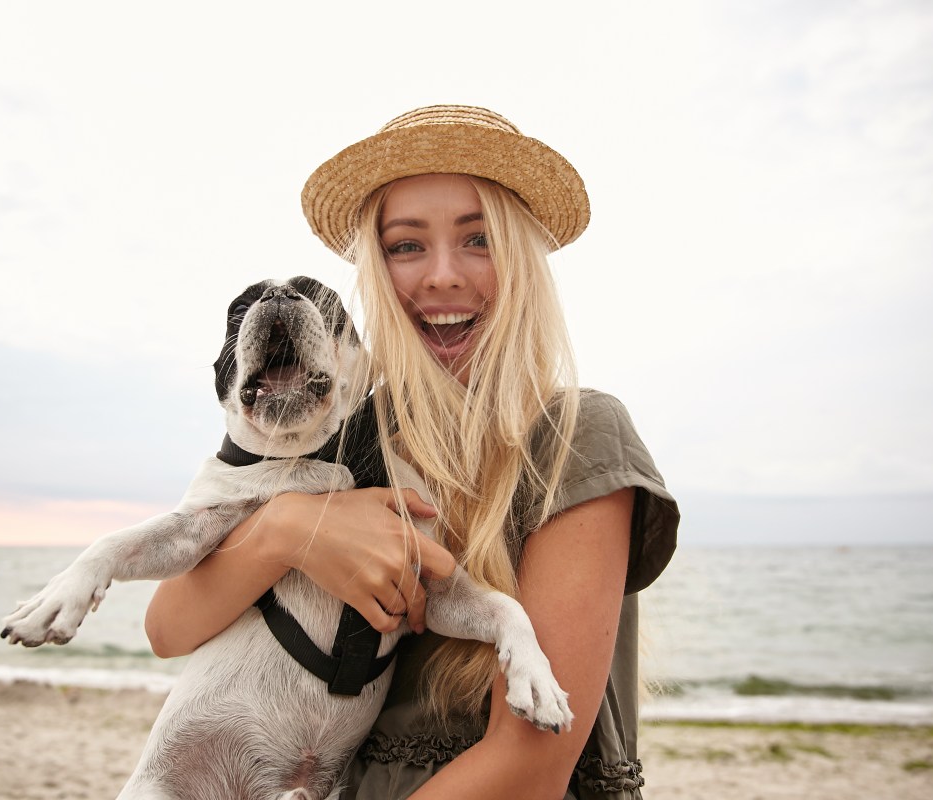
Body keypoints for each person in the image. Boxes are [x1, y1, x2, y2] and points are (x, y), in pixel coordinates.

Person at [144, 105, 679, 799]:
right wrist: (286, 531)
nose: (441, 276)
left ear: (521, 261)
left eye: (479, 240)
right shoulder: (352, 435)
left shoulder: (578, 434)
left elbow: (531, 766)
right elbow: (168, 627)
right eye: (406, 246)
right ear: (376, 267)